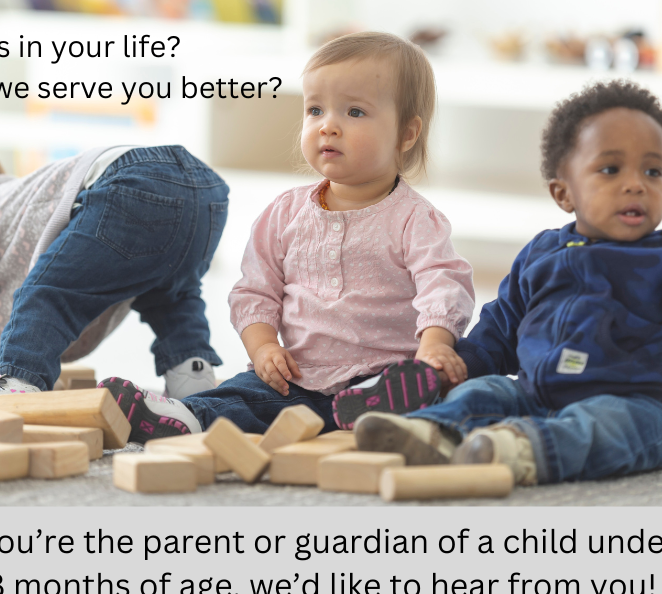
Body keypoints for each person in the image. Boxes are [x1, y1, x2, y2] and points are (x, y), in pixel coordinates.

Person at [354, 80, 662, 485]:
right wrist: (460, 366)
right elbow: (502, 328)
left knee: (605, 424)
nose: (636, 184)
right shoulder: (543, 253)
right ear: (564, 193)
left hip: (642, 408)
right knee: (485, 392)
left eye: (653, 170)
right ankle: (433, 431)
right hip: (537, 397)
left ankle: (517, 450)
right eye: (610, 169)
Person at [101, 32, 475, 444]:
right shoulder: (285, 213)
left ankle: (380, 408)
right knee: (244, 398)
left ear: (407, 133)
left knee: (428, 389)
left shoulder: (415, 219)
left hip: (381, 377)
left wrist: (437, 345)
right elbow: (255, 292)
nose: (328, 126)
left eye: (354, 112)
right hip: (298, 379)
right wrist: (263, 349)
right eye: (315, 110)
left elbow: (443, 284)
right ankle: (184, 417)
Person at [0, 139, 228, 401]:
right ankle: (192, 378)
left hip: (128, 178)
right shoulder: (16, 206)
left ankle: (18, 384)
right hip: (206, 193)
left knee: (48, 295)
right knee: (171, 292)